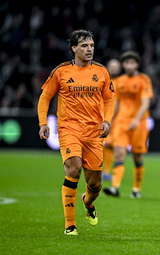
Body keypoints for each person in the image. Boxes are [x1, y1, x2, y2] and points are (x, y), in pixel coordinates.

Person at [37, 29, 115, 235]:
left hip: (94, 132)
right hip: (68, 128)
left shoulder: (102, 72)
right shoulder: (61, 72)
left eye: (91, 46)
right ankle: (70, 225)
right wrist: (43, 122)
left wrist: (107, 121)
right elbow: (45, 97)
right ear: (73, 48)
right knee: (73, 170)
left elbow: (109, 99)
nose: (89, 49)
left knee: (95, 184)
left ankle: (88, 204)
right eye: (84, 46)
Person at [103, 51, 153, 198]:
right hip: (121, 123)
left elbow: (146, 102)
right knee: (119, 154)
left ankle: (136, 189)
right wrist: (110, 121)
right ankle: (114, 187)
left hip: (139, 123)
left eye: (132, 63)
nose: (129, 66)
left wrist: (136, 120)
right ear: (123, 65)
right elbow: (116, 103)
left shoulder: (144, 79)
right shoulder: (118, 82)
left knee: (137, 157)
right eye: (126, 63)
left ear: (136, 64)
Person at [102, 59, 122, 181]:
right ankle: (103, 170)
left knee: (111, 145)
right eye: (112, 66)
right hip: (102, 117)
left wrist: (113, 119)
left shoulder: (120, 83)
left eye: (116, 67)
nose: (114, 69)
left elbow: (119, 103)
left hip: (115, 118)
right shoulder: (103, 81)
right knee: (103, 145)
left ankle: (107, 171)